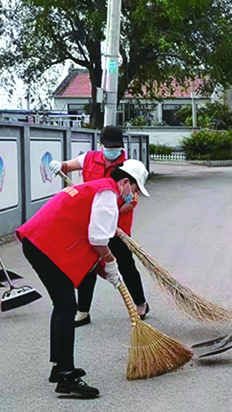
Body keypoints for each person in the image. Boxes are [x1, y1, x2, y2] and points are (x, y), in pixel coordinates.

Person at [17, 159, 150, 399]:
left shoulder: (98, 187)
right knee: (66, 306)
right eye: (135, 188)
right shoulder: (108, 195)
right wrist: (110, 262)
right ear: (124, 182)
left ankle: (59, 367)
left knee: (62, 305)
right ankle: (67, 376)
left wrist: (107, 271)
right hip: (44, 245)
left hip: (39, 242)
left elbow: (90, 237)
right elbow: (98, 240)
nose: (134, 194)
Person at [48, 126, 149, 327]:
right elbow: (67, 166)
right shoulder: (89, 158)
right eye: (108, 147)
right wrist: (58, 164)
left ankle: (140, 303)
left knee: (125, 265)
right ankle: (83, 311)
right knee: (87, 265)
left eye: (116, 147)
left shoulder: (128, 166)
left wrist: (109, 215)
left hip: (117, 226)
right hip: (89, 223)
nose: (112, 151)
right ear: (101, 145)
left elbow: (131, 201)